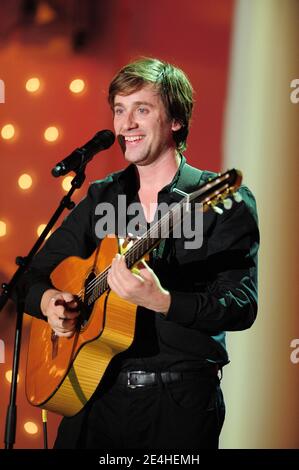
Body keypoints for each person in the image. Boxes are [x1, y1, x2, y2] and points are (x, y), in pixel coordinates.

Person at [20, 57, 259, 449]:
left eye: (141, 110)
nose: (125, 124)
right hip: (91, 397)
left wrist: (163, 302)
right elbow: (30, 276)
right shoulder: (101, 197)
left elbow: (241, 305)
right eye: (119, 110)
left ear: (176, 120)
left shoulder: (224, 201)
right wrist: (50, 302)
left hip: (177, 406)